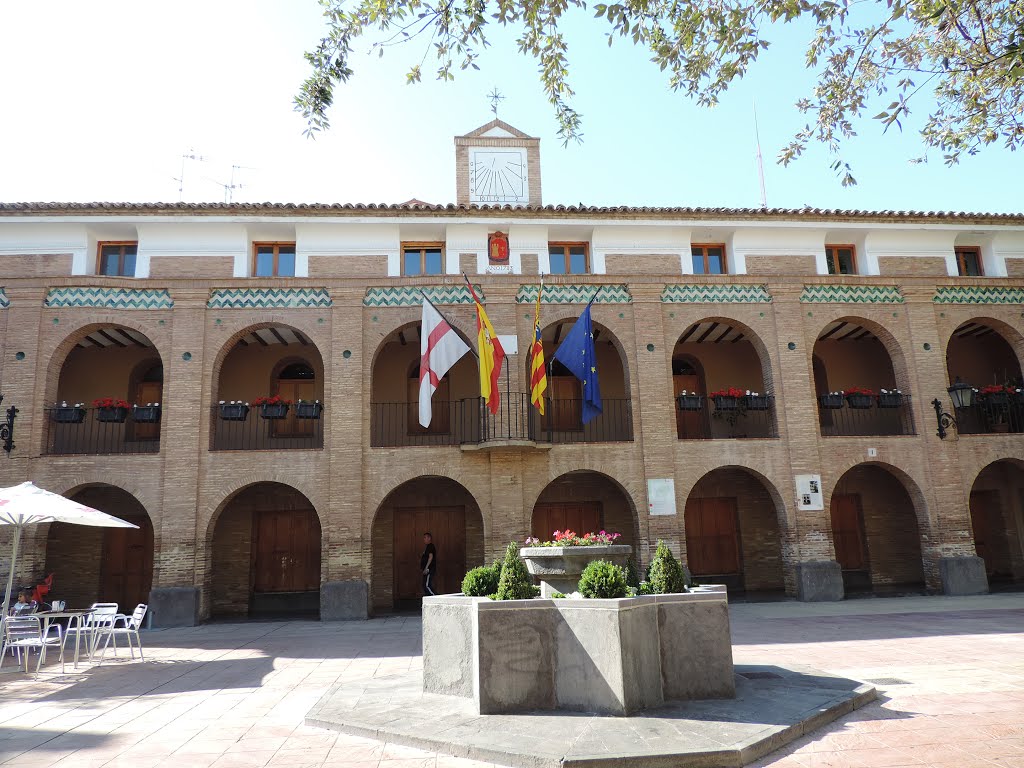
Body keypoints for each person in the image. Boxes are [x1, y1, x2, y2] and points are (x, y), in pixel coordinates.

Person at [420, 532, 437, 597]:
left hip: (429, 569)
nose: (424, 539)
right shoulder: (427, 547)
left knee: (426, 585)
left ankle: (435, 597)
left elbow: (430, 557)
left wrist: (426, 568)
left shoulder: (430, 546)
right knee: (425, 585)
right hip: (427, 569)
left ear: (429, 538)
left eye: (425, 537)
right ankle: (429, 598)